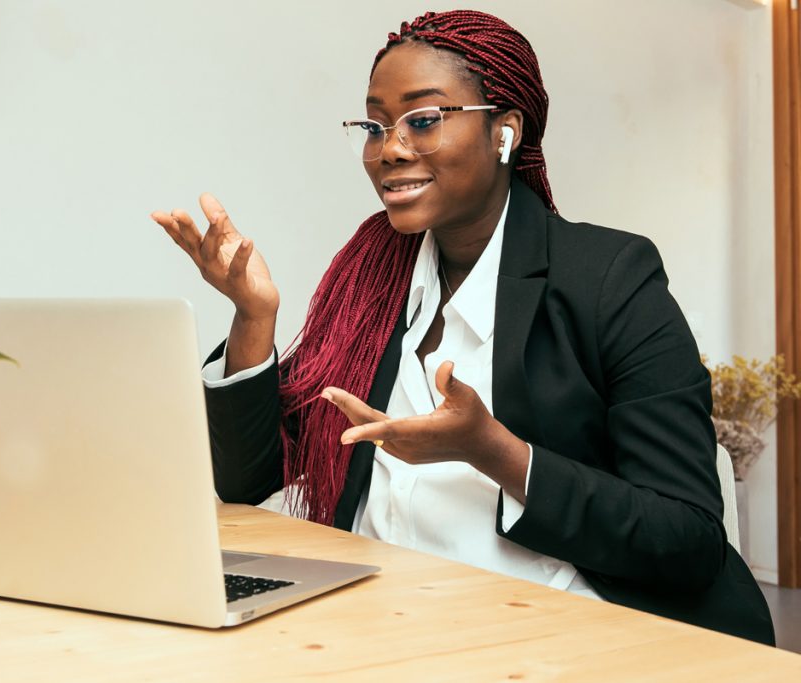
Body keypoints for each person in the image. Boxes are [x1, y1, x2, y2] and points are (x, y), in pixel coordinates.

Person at [150, 10, 774, 645]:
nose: (389, 148)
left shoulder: (611, 277)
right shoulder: (369, 284)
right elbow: (248, 481)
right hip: (376, 622)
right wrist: (254, 316)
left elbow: (686, 538)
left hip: (557, 632)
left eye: (422, 120)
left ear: (504, 133)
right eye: (374, 125)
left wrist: (494, 450)